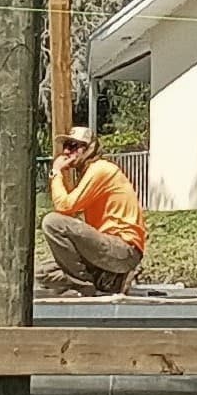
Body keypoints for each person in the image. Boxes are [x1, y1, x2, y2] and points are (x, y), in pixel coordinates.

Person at [42, 126, 147, 294]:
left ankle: (85, 287)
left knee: (52, 222)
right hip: (105, 247)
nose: (67, 152)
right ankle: (109, 281)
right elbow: (69, 212)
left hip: (124, 249)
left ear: (89, 149)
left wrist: (56, 173)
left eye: (74, 146)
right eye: (66, 146)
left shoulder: (100, 169)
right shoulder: (87, 173)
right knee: (42, 274)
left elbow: (65, 207)